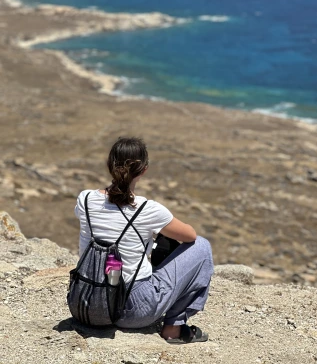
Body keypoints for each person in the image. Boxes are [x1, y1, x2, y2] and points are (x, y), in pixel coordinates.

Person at [74, 136, 214, 344]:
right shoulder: (148, 210)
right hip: (134, 311)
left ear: (109, 165)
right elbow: (190, 236)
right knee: (202, 246)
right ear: (144, 170)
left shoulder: (84, 199)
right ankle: (174, 328)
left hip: (85, 303)